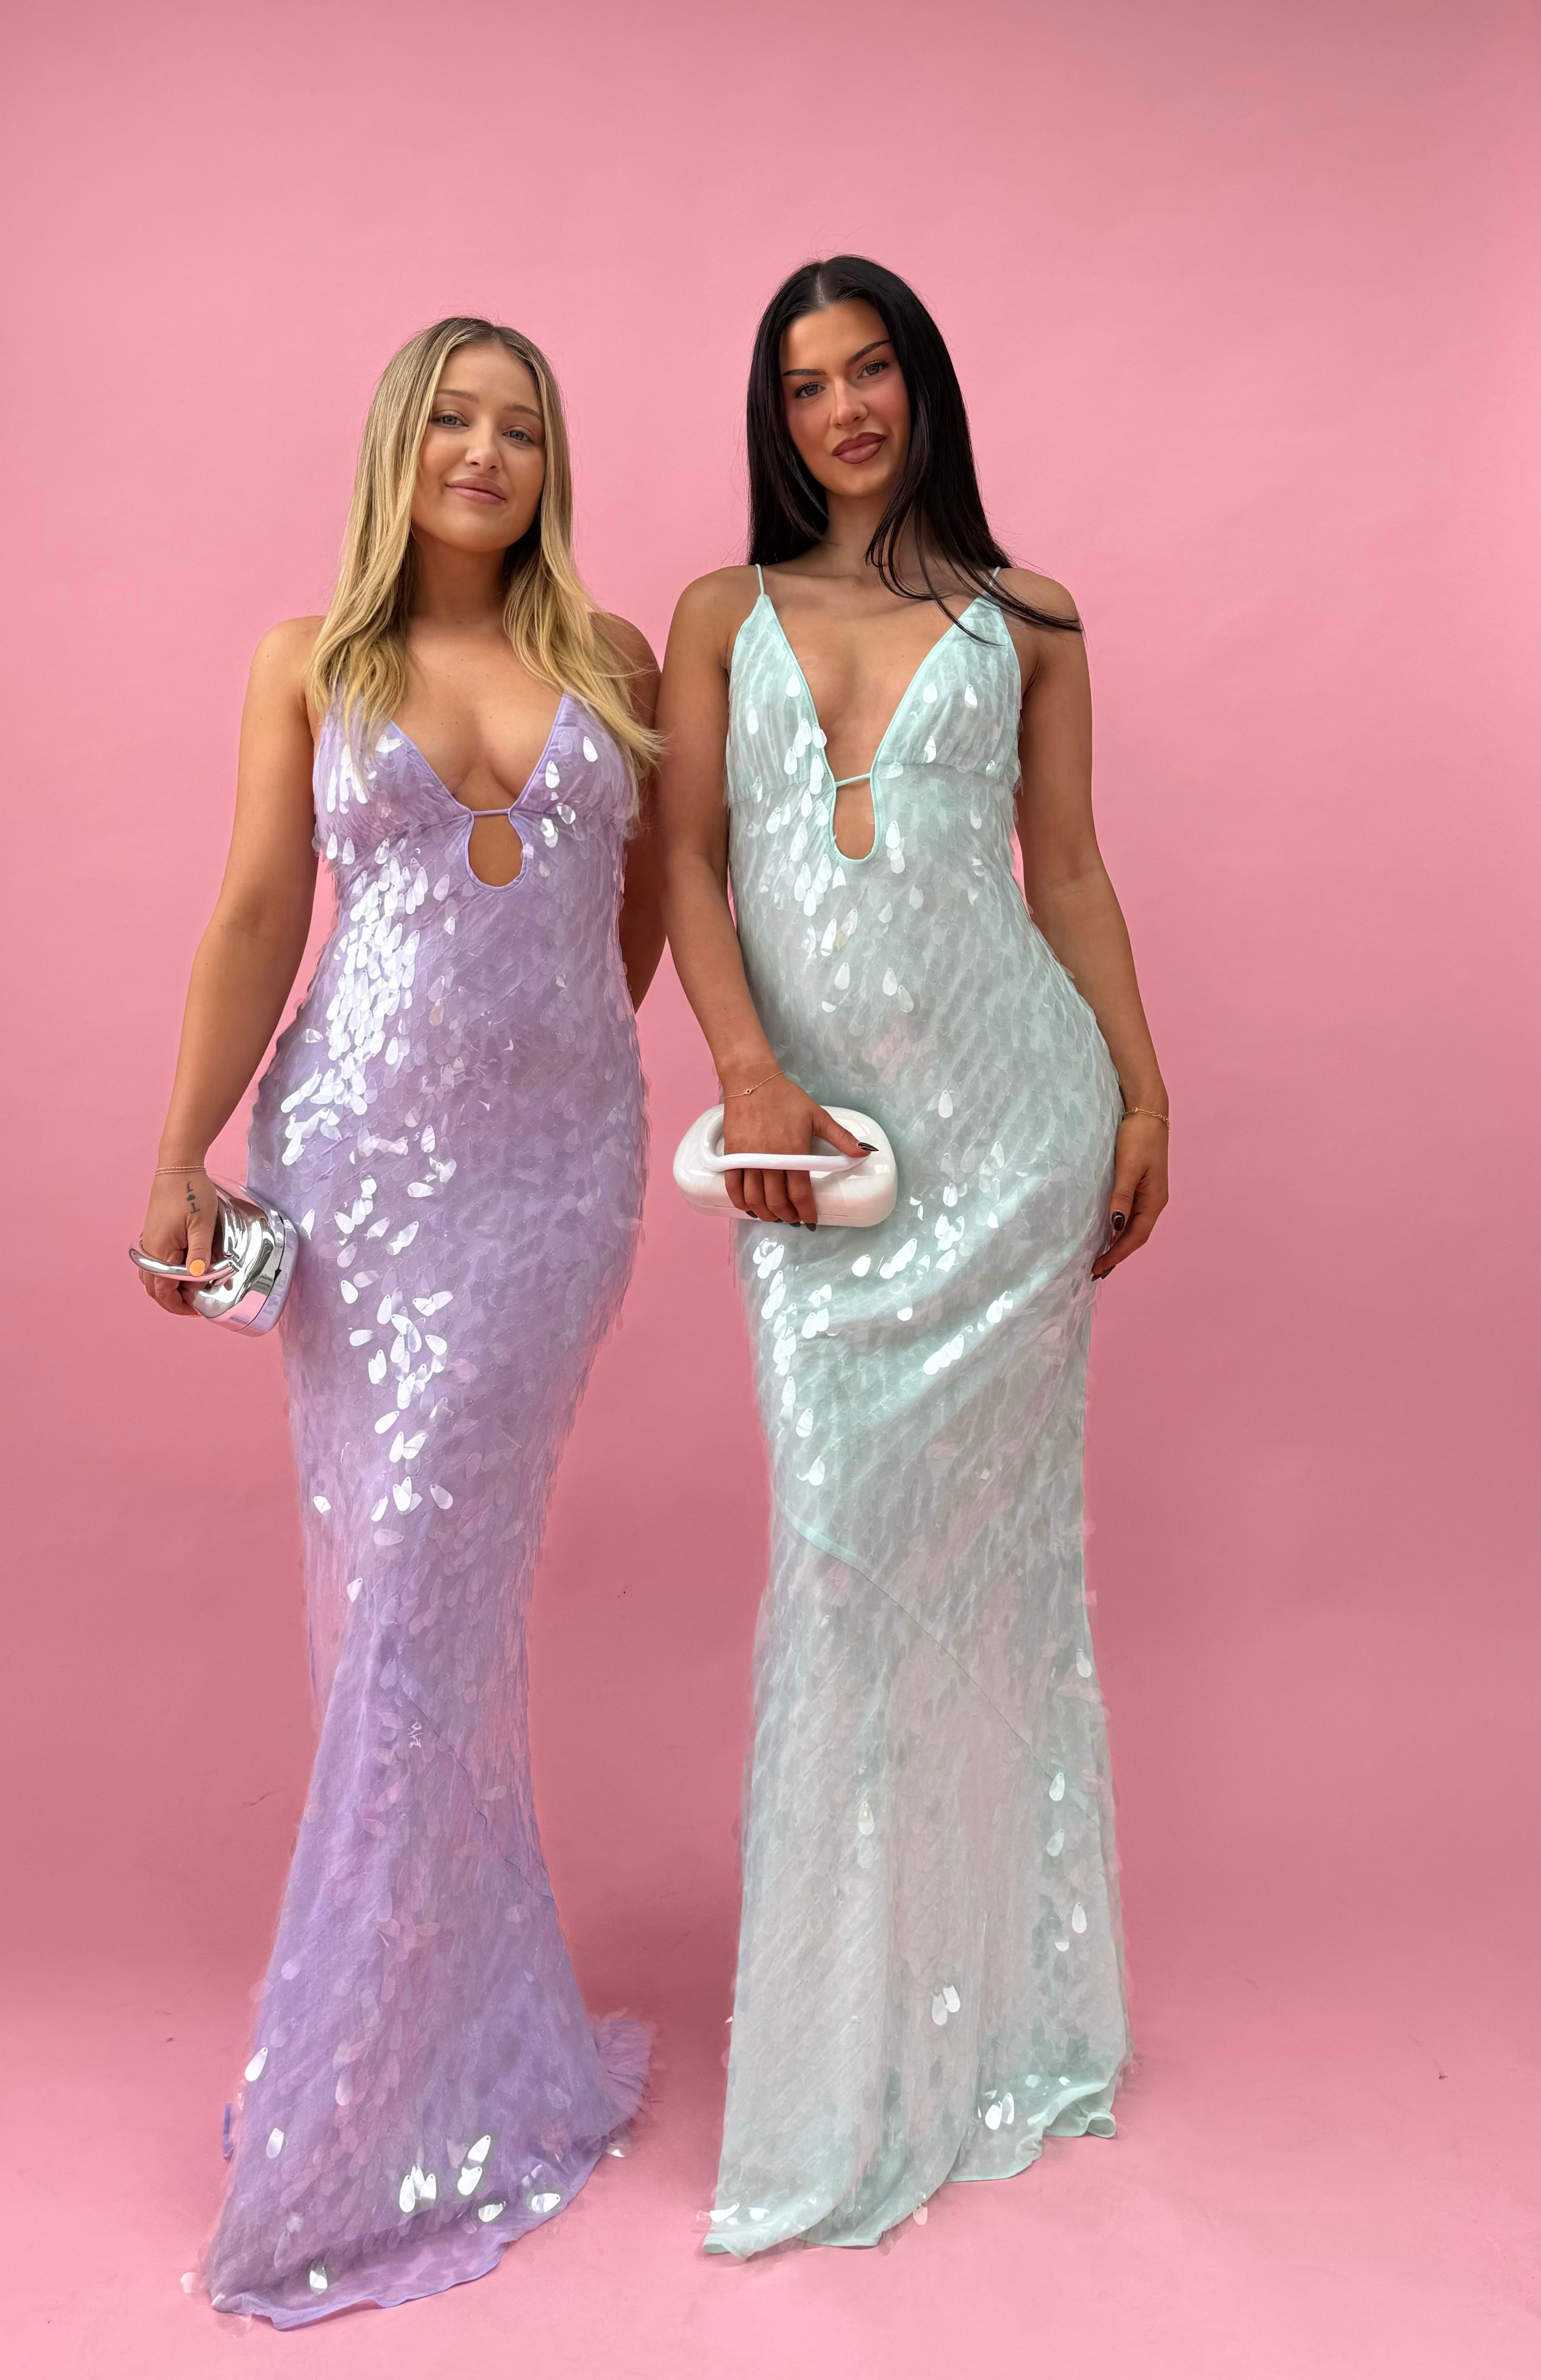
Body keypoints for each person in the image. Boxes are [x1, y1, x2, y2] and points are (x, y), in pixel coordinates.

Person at [138, 317, 662, 2321]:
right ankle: (387, 2077)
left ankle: (401, 2073)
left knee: (437, 1588)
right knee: (403, 1607)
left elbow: (628, 921)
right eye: (452, 416)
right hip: (358, 1172)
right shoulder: (310, 661)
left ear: (550, 464)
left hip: (549, 1191)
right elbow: (257, 915)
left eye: (520, 424)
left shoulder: (612, 666)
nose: (485, 449)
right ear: (396, 445)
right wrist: (180, 1150)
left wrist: (547, 1083)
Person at [657, 255, 1169, 2254]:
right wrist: (744, 1065)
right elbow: (688, 858)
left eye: (870, 370)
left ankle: (992, 2024)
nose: (844, 410)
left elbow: (1072, 868)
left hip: (1014, 1133)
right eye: (805, 386)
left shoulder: (1029, 618)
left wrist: (1139, 1091)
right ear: (773, 419)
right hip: (822, 1163)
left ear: (923, 386)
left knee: (994, 1586)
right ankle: (832, 2068)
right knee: (840, 1562)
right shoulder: (723, 615)